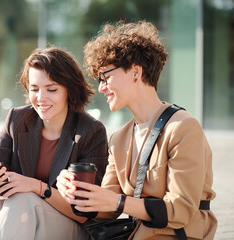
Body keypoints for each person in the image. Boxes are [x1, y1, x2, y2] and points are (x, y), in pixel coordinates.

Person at [56, 21, 217, 239]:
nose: (101, 87)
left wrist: (119, 202)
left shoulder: (183, 128)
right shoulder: (118, 139)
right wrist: (76, 192)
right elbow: (107, 209)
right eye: (99, 79)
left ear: (135, 72)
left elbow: (181, 210)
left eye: (106, 76)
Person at [0, 47, 108, 240]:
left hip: (72, 227)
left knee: (24, 198)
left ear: (69, 90)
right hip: (21, 219)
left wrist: (37, 187)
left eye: (51, 89)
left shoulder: (91, 131)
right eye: (34, 89)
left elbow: (84, 211)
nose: (41, 98)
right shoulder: (17, 119)